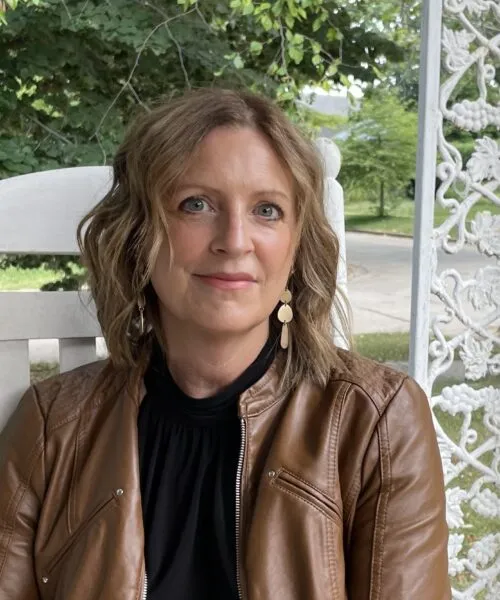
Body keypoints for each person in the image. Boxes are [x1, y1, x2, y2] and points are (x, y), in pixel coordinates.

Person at [0, 88, 451, 599]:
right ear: (137, 233)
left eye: (267, 210)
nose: (234, 240)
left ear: (297, 246)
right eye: (196, 204)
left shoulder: (377, 422)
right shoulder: (51, 427)